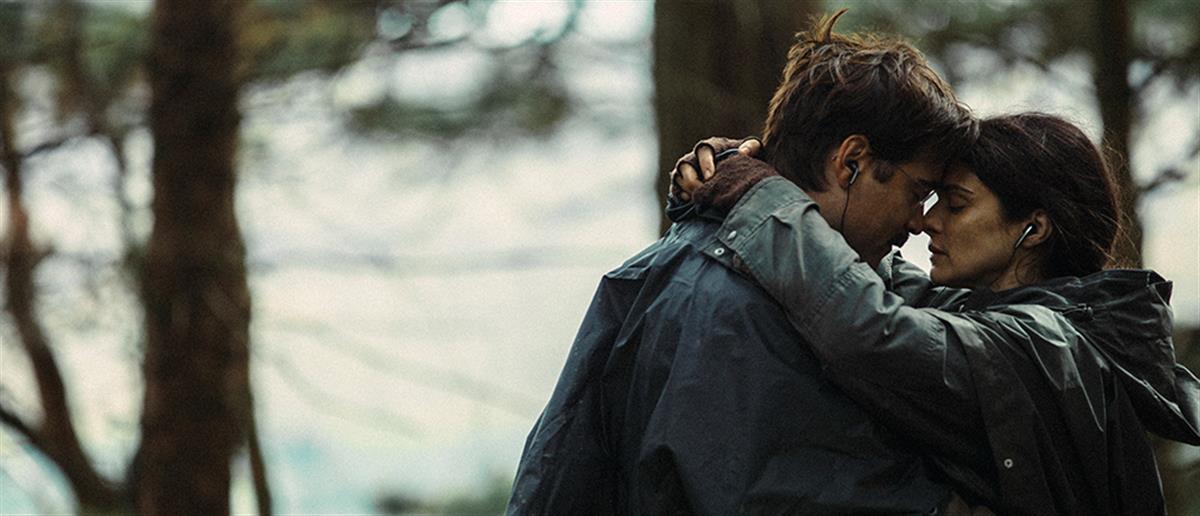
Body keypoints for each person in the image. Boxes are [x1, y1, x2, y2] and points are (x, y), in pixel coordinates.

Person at [507, 11, 980, 515]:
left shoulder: (672, 268)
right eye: (918, 192)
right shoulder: (739, 310)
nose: (917, 222)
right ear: (851, 162)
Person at [672, 112, 1200, 515]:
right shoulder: (997, 318)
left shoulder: (1045, 346)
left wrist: (761, 196)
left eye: (957, 203)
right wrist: (759, 177)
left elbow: (867, 327)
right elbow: (869, 279)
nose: (927, 221)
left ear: (1034, 229)